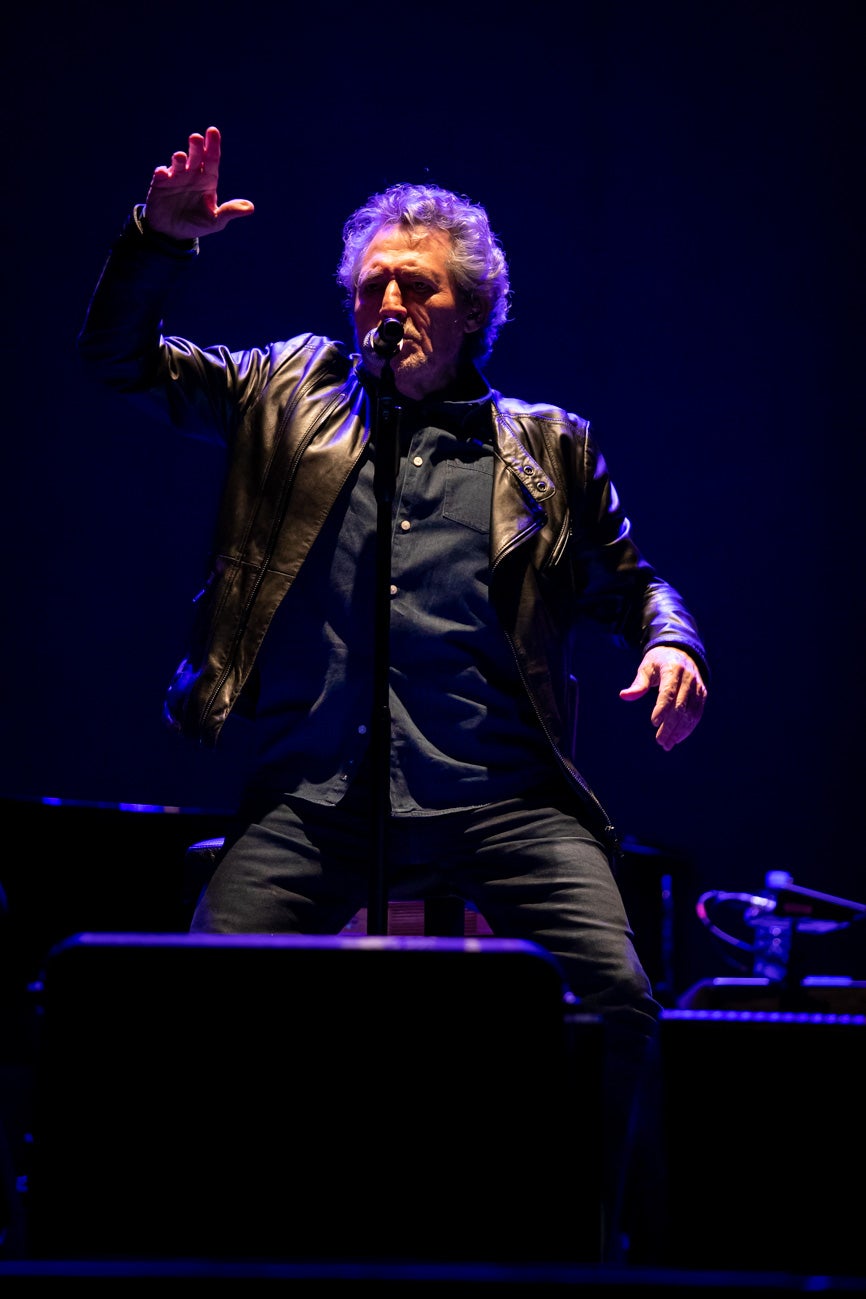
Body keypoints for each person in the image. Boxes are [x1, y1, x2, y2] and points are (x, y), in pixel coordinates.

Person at [78, 126, 708, 1261]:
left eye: (418, 287)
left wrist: (672, 643)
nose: (389, 303)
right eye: (372, 284)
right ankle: (202, 1258)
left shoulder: (548, 448)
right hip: (315, 798)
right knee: (194, 1001)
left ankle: (605, 1259)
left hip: (503, 802)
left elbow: (635, 582)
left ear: (474, 311)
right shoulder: (288, 392)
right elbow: (122, 363)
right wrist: (155, 244)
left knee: (617, 1001)